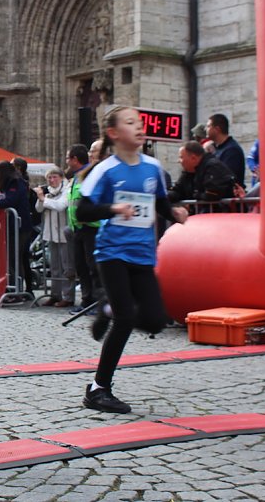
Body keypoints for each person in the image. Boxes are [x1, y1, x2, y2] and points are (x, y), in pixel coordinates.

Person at [77, 106, 188, 414]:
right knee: (126, 318)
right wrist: (113, 209)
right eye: (131, 123)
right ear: (114, 133)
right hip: (112, 252)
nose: (140, 128)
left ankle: (109, 308)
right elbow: (82, 211)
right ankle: (99, 389)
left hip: (142, 255)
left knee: (155, 320)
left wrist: (174, 213)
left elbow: (161, 203)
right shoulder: (105, 170)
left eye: (140, 123)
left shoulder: (152, 167)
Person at [65, 144, 102, 309]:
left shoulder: (92, 174)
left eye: (68, 157)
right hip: (78, 228)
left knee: (93, 266)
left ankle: (97, 302)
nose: (66, 161)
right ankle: (87, 301)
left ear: (74, 159)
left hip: (91, 227)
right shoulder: (78, 176)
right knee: (81, 266)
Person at [34, 168, 74, 307]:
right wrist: (41, 199)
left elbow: (61, 206)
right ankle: (55, 295)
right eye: (49, 178)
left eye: (54, 177)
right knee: (54, 266)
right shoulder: (48, 192)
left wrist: (43, 199)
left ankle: (68, 296)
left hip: (64, 233)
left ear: (61, 177)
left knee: (66, 266)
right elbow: (38, 208)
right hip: (51, 232)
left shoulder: (67, 190)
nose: (52, 180)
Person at [0, 160, 34, 294]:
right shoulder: (13, 182)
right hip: (14, 226)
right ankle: (18, 288)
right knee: (16, 258)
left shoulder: (16, 182)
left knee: (14, 258)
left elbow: (10, 200)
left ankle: (16, 289)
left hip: (20, 226)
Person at [167, 141, 237, 207]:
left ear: (193, 158)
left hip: (220, 215)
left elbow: (212, 195)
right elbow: (177, 191)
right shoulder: (187, 173)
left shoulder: (213, 166)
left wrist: (196, 195)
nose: (179, 161)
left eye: (181, 157)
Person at [205, 113, 246, 188]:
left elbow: (224, 177)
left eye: (208, 126)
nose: (205, 129)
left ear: (217, 129)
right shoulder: (214, 149)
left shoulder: (232, 150)